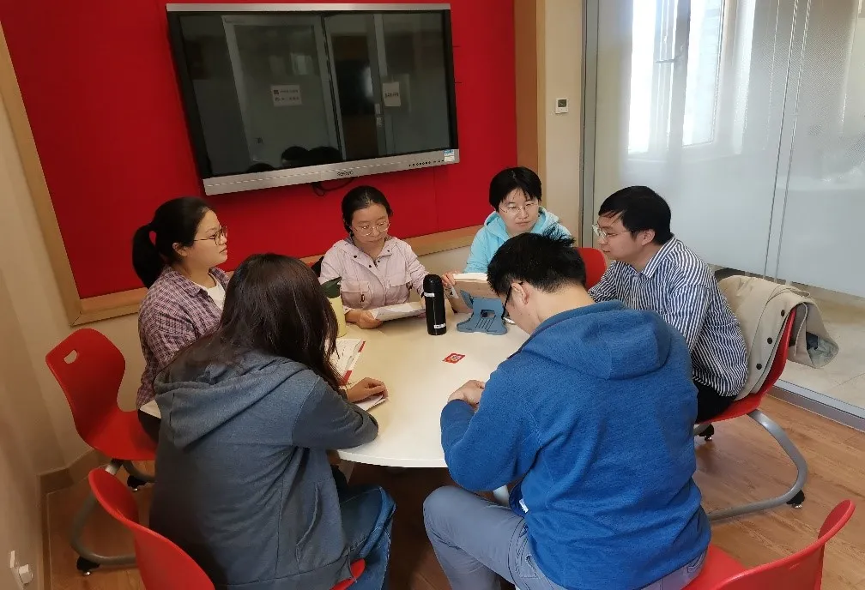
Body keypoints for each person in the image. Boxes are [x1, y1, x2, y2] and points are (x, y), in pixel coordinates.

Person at [423, 232, 710, 590]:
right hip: (684, 549)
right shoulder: (666, 336)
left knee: (440, 507)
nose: (513, 317)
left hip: (586, 576)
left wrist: (455, 407)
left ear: (520, 291)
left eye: (506, 306)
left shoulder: (525, 374)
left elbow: (472, 471)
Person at [149, 254, 395, 590]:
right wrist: (333, 397)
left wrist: (336, 395)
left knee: (333, 479)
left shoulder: (191, 360)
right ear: (304, 317)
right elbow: (361, 429)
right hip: (260, 574)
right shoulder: (294, 387)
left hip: (184, 561)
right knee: (378, 499)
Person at [588, 186, 748, 423]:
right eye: (600, 230)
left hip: (705, 380)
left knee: (606, 406)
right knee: (585, 385)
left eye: (610, 233)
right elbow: (593, 303)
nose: (601, 241)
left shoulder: (687, 275)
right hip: (655, 361)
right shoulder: (623, 262)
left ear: (645, 236)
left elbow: (672, 351)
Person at [131, 196, 229, 408]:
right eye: (213, 236)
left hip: (227, 384)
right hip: (182, 405)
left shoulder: (219, 277)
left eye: (222, 231)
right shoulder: (163, 306)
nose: (223, 239)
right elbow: (190, 379)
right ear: (181, 248)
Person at [319, 185, 460, 329]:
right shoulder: (336, 257)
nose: (375, 233)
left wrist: (427, 296)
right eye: (365, 227)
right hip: (357, 331)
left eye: (381, 223)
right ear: (348, 224)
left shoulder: (401, 249)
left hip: (401, 328)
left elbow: (422, 280)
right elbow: (324, 304)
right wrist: (356, 316)